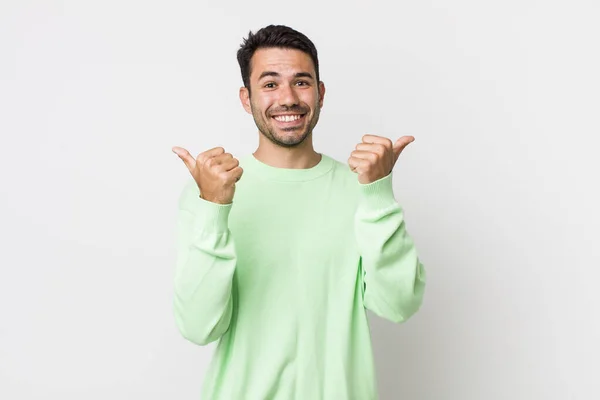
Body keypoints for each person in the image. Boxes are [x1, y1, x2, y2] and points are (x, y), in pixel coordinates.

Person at [171, 24, 426, 400]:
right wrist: (214, 208)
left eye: (302, 82)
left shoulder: (361, 188)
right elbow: (198, 326)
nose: (287, 98)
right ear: (247, 98)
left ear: (320, 93)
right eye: (270, 84)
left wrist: (377, 193)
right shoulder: (212, 191)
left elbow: (399, 304)